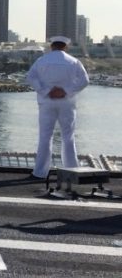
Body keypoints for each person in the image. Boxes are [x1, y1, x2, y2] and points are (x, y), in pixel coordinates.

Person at [26, 36, 89, 179]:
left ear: (51, 46)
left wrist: (46, 91)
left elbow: (30, 77)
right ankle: (71, 170)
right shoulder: (74, 61)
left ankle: (40, 172)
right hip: (67, 102)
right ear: (65, 47)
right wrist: (66, 90)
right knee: (68, 136)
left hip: (47, 101)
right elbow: (85, 80)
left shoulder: (41, 61)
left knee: (45, 136)